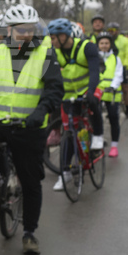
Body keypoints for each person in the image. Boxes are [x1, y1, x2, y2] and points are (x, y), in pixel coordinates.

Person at [0, 4, 63, 255]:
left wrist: (41, 111)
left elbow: (54, 88)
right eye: (21, 30)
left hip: (29, 127)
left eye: (30, 30)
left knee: (31, 181)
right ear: (9, 29)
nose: (26, 34)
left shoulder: (45, 53)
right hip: (1, 123)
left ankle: (29, 232)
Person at [46, 17, 103, 192]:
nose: (52, 41)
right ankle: (66, 173)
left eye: (54, 38)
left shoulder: (87, 47)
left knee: (93, 102)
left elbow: (95, 72)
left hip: (89, 89)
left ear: (64, 36)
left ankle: (98, 136)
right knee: (69, 132)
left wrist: (91, 92)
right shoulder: (54, 51)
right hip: (68, 96)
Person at [96, 32, 123, 158]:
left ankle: (114, 146)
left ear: (110, 44)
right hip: (97, 93)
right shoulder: (94, 58)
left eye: (107, 43)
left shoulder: (116, 58)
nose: (104, 45)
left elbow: (119, 74)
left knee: (113, 119)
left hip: (112, 94)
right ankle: (98, 142)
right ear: (98, 45)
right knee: (97, 119)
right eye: (102, 43)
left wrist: (113, 86)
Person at [106, 22, 128, 118]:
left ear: (117, 31)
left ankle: (127, 109)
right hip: (111, 68)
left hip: (123, 67)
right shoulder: (107, 40)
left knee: (126, 88)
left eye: (113, 30)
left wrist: (126, 65)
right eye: (109, 31)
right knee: (110, 87)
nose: (111, 33)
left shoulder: (125, 40)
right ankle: (111, 108)